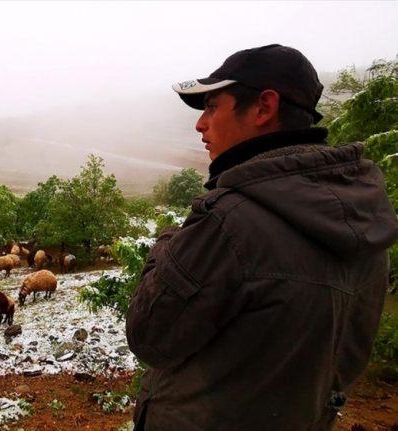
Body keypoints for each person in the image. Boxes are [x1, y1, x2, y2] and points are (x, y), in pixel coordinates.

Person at [125, 44, 398, 430]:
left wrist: (169, 241)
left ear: (264, 108)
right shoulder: (368, 225)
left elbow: (150, 336)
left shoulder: (228, 221)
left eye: (212, 106)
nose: (200, 125)